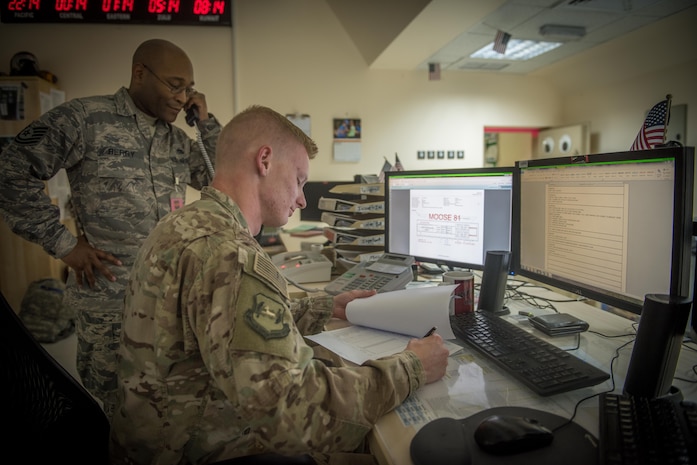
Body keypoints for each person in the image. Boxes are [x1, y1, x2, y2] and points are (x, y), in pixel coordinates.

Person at [109, 105, 449, 465]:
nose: (302, 199)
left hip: (153, 441)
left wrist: (323, 307)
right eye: (299, 179)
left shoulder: (184, 224)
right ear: (265, 161)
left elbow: (218, 322)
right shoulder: (231, 255)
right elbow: (294, 414)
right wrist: (413, 367)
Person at [0, 38, 221, 420]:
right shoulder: (85, 119)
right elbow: (10, 171)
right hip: (110, 298)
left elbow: (220, 180)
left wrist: (206, 122)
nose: (183, 97)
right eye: (175, 85)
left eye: (189, 88)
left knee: (167, 403)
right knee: (117, 405)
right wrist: (63, 244)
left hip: (168, 296)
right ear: (139, 73)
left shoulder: (178, 141)